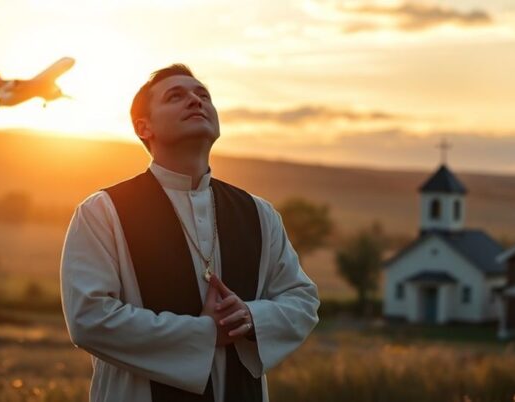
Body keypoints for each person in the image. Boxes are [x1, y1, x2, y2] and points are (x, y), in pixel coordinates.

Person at [59, 64, 320, 402]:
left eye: (203, 95)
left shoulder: (258, 213)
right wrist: (205, 333)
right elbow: (88, 317)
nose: (196, 101)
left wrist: (251, 317)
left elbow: (302, 300)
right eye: (176, 96)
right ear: (144, 127)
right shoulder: (103, 211)